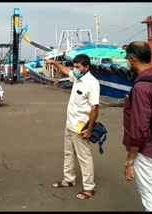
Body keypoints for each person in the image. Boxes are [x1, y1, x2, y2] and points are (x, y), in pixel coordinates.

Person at [44, 54, 100, 200]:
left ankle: (89, 188)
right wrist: (54, 64)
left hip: (81, 126)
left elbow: (94, 108)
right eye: (74, 66)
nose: (74, 69)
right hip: (70, 123)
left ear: (86, 67)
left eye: (77, 67)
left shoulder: (92, 83)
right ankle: (69, 179)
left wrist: (89, 129)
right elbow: (65, 70)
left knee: (84, 157)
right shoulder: (77, 77)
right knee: (68, 152)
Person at [123, 41, 152, 211]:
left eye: (127, 59)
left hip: (146, 149)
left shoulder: (141, 87)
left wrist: (130, 160)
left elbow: (140, 128)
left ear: (133, 59)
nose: (127, 62)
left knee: (150, 195)